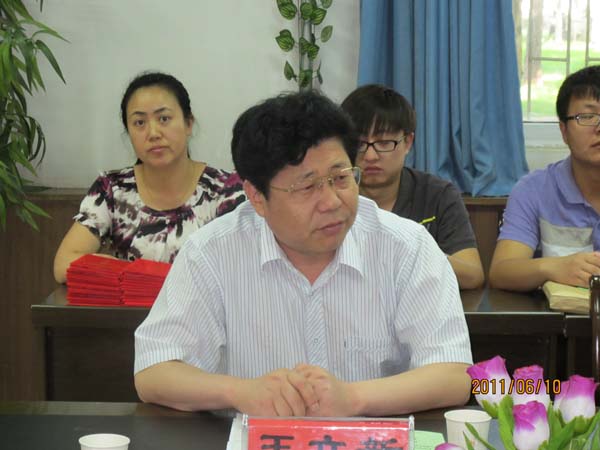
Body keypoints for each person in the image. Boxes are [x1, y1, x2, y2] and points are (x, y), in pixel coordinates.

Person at [134, 90, 472, 417]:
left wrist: (353, 398)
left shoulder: (407, 247)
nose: (332, 202)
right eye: (307, 187)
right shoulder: (211, 253)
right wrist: (240, 392)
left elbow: (455, 375)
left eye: (341, 177)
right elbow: (154, 372)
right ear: (257, 196)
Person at [53, 72, 245, 284]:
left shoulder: (226, 190)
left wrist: (142, 275)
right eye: (139, 123)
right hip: (131, 306)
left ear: (188, 124)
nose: (153, 133)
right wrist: (124, 272)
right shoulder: (113, 189)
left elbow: (242, 271)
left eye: (164, 119)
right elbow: (63, 265)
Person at [341, 85, 485, 289]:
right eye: (359, 143)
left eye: (384, 143)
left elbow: (472, 275)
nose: (370, 155)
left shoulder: (437, 195)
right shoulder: (333, 197)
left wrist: (408, 250)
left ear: (408, 142)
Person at [489, 65, 600, 291]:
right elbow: (501, 271)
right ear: (563, 131)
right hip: (559, 314)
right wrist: (554, 267)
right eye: (587, 116)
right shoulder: (534, 189)